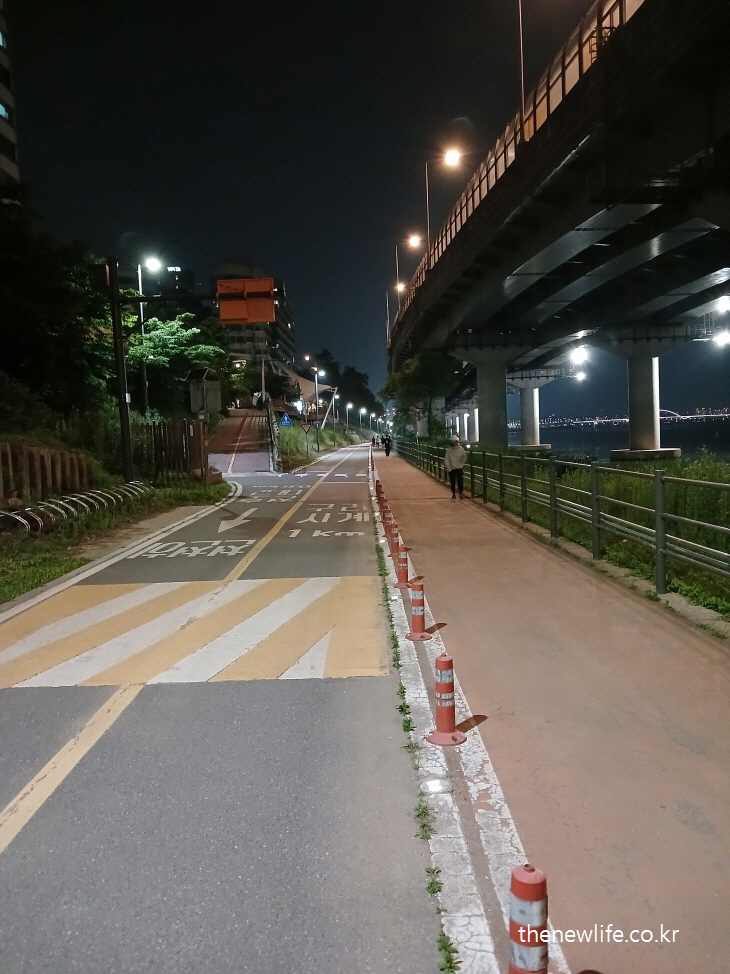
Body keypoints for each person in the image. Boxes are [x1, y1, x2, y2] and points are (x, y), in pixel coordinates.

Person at [444, 434, 466, 498]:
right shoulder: (449, 450)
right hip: (452, 468)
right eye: (454, 441)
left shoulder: (461, 449)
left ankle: (461, 493)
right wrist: (448, 468)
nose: (455, 443)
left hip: (459, 467)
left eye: (456, 441)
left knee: (460, 481)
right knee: (452, 482)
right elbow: (447, 459)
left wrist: (462, 463)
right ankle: (453, 493)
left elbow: (464, 456)